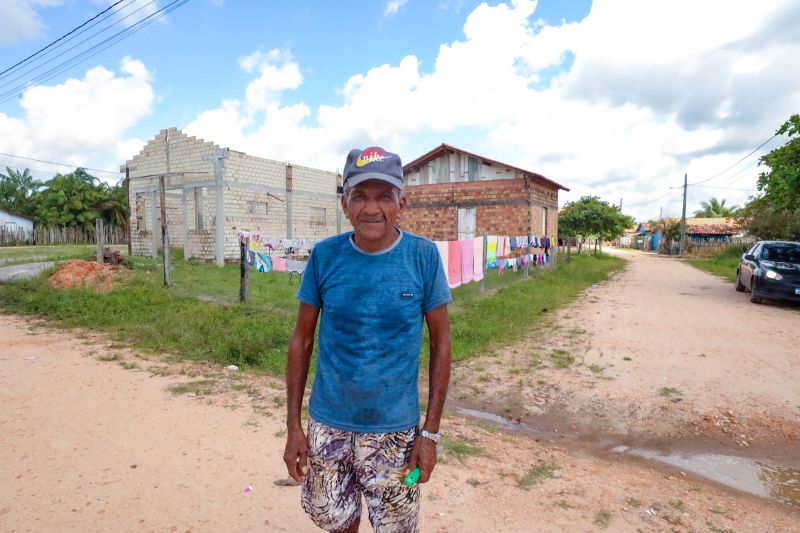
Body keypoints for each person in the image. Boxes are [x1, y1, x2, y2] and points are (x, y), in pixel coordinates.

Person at [283, 146, 452, 533]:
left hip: (396, 432)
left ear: (401, 203)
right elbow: (301, 340)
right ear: (345, 204)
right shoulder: (325, 257)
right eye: (360, 196)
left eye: (384, 196)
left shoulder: (423, 257)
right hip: (328, 425)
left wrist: (429, 434)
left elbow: (441, 343)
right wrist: (293, 427)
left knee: (397, 523)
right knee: (333, 517)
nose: (371, 208)